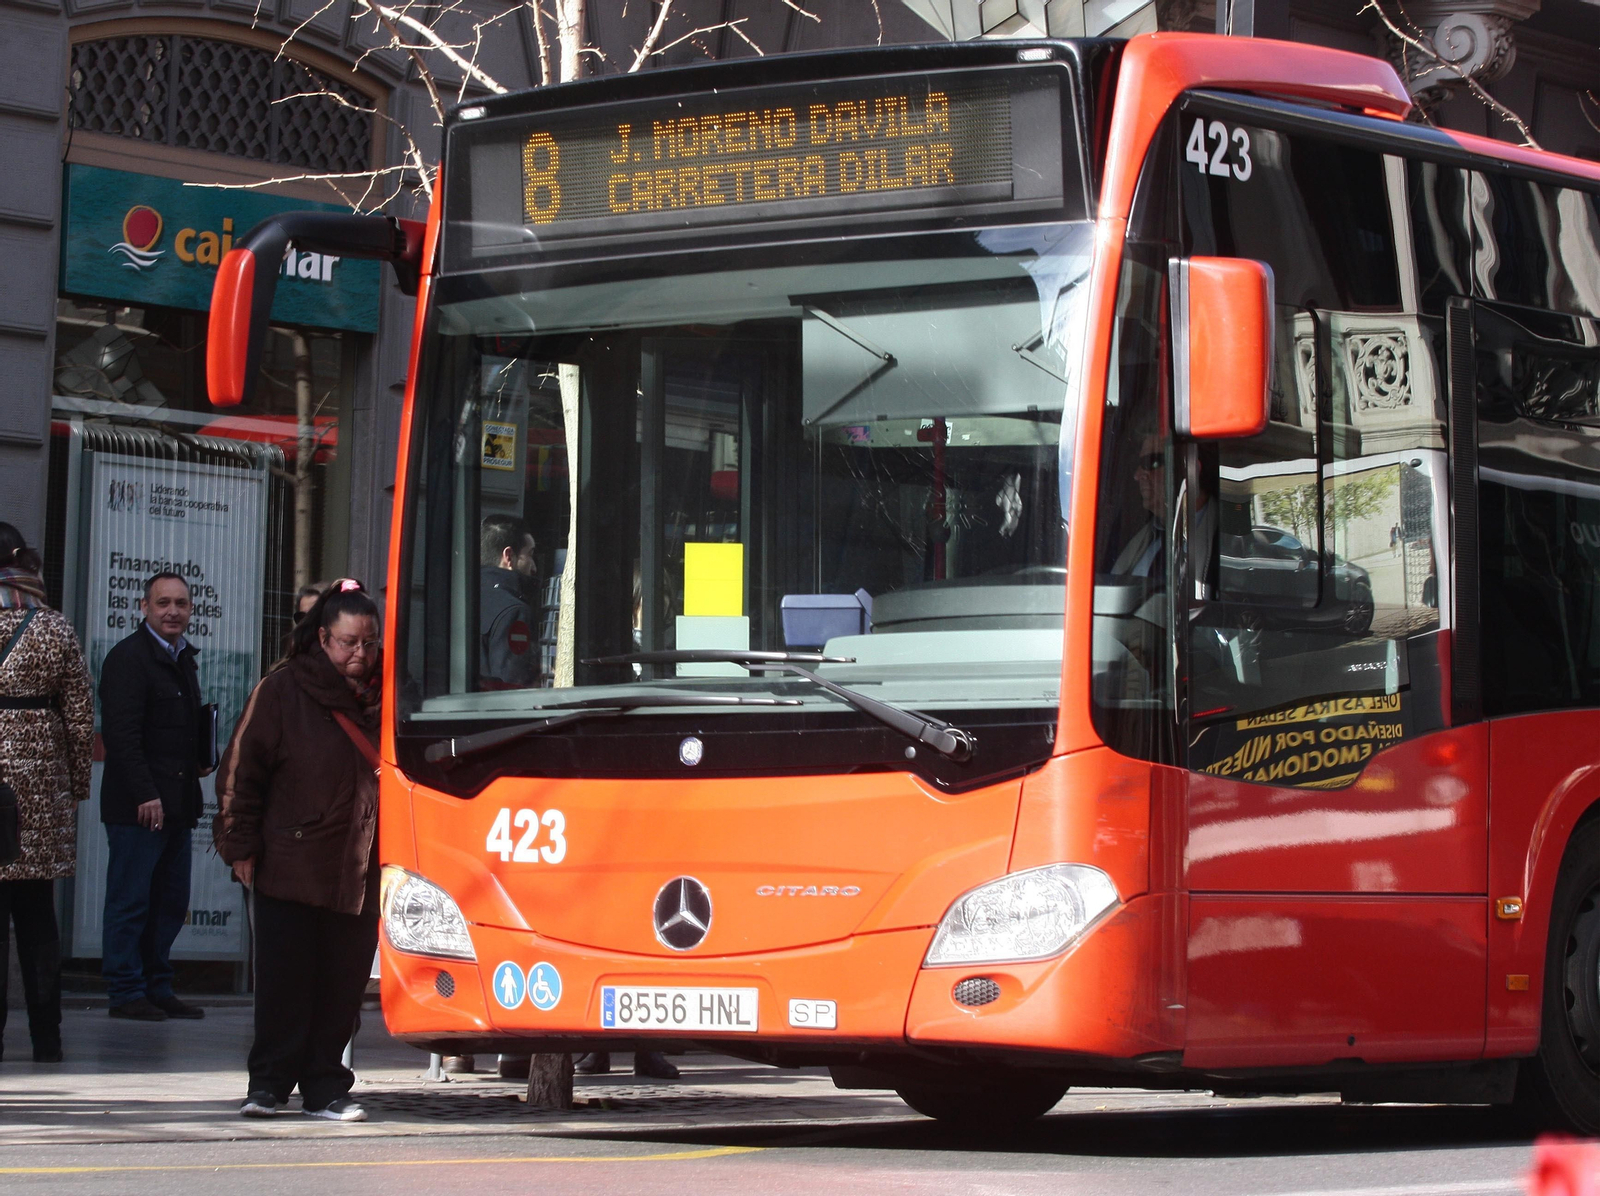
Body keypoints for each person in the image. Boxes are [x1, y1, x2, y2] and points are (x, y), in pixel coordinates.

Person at [215, 580, 382, 1121]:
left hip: (359, 867)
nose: (360, 654)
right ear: (323, 638)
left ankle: (325, 1087)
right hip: (290, 861)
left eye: (369, 644)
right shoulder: (283, 688)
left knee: (341, 986)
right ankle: (267, 1084)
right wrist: (238, 844)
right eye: (348, 642)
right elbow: (242, 770)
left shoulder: (388, 698)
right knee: (285, 981)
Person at [0, 524, 93, 1063]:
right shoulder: (54, 627)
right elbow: (80, 716)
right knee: (38, 920)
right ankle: (47, 1037)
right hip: (40, 786)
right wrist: (74, 786)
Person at [98, 571, 209, 1022]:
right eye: (163, 603)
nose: (173, 612)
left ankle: (157, 986)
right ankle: (126, 991)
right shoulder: (129, 658)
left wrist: (203, 755)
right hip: (138, 808)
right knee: (131, 901)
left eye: (181, 604)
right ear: (143, 607)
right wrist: (145, 794)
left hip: (177, 803)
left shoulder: (184, 657)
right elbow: (122, 736)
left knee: (169, 902)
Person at [479, 515, 539, 690]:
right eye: (530, 554)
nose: (534, 566)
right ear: (509, 556)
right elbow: (512, 687)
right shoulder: (514, 611)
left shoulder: (460, 598)